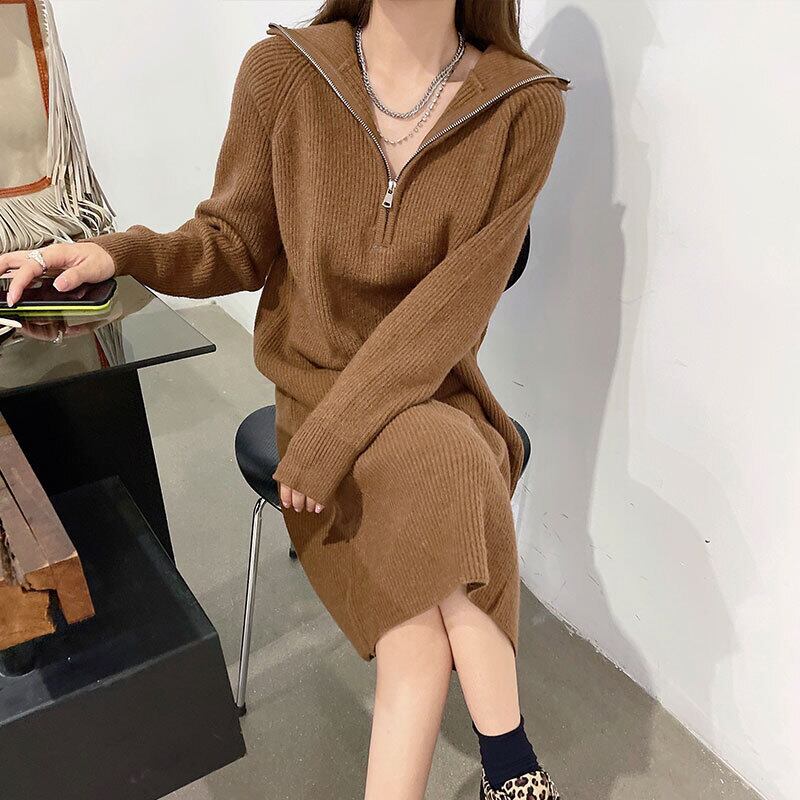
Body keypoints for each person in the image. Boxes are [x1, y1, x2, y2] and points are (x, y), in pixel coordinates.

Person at [0, 1, 569, 797]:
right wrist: (118, 251)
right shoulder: (284, 73)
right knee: (447, 492)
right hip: (315, 388)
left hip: (433, 383)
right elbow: (231, 242)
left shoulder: (524, 104)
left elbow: (454, 307)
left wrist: (337, 437)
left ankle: (509, 769)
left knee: (422, 579)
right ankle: (512, 766)